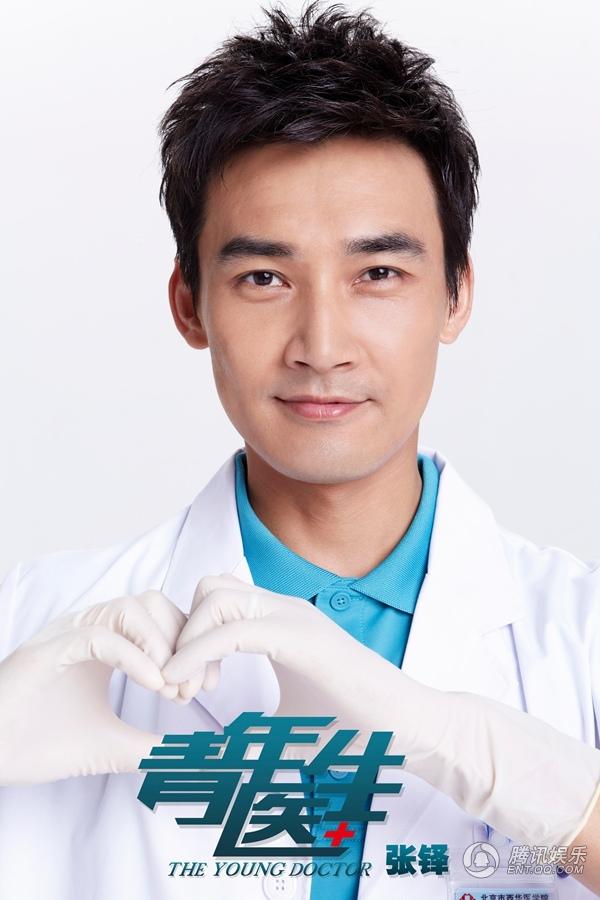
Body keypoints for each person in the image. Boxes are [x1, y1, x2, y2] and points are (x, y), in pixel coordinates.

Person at [0, 3, 599, 899]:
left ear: (455, 295)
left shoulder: (579, 636)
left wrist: (548, 794)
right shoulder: (31, 632)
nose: (322, 345)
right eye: (264, 277)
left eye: (379, 274)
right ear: (190, 305)